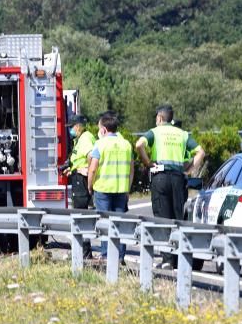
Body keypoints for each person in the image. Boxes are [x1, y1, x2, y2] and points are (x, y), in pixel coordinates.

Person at [135, 106, 205, 268]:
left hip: (160, 177)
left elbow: (139, 144)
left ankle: (167, 260)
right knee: (177, 218)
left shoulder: (155, 132)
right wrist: (189, 169)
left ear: (160, 118)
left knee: (163, 218)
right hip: (178, 178)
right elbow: (200, 152)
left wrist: (148, 162)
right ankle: (179, 259)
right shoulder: (182, 134)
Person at [87, 112, 134, 262]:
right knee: (119, 224)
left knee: (105, 224)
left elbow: (93, 168)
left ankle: (108, 256)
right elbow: (131, 169)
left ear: (104, 130)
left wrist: (90, 185)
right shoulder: (126, 144)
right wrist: (128, 188)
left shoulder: (100, 144)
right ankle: (120, 256)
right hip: (121, 189)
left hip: (103, 189)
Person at [65, 114, 96, 209]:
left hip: (83, 179)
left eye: (71, 126)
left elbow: (90, 155)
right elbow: (79, 159)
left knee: (81, 211)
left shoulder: (85, 138)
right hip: (78, 178)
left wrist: (88, 169)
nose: (70, 129)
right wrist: (72, 169)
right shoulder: (80, 138)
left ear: (78, 126)